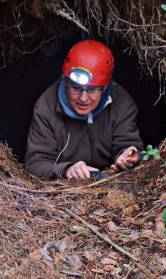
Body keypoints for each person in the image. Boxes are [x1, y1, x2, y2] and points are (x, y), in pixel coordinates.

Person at [25, 40, 143, 179]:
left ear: (105, 87)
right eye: (76, 88)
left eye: (92, 90)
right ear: (66, 81)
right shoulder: (46, 107)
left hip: (111, 183)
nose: (83, 98)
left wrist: (128, 156)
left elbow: (130, 145)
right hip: (64, 188)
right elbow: (36, 162)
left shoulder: (121, 102)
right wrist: (66, 170)